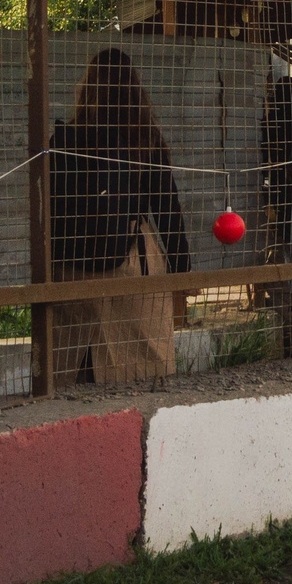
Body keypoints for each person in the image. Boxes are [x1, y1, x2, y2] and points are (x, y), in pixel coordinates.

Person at [50, 47, 191, 383]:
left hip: (71, 268)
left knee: (73, 359)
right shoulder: (144, 139)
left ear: (88, 88)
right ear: (134, 89)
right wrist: (182, 270)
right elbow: (166, 207)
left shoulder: (63, 139)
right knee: (143, 362)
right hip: (131, 262)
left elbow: (49, 205)